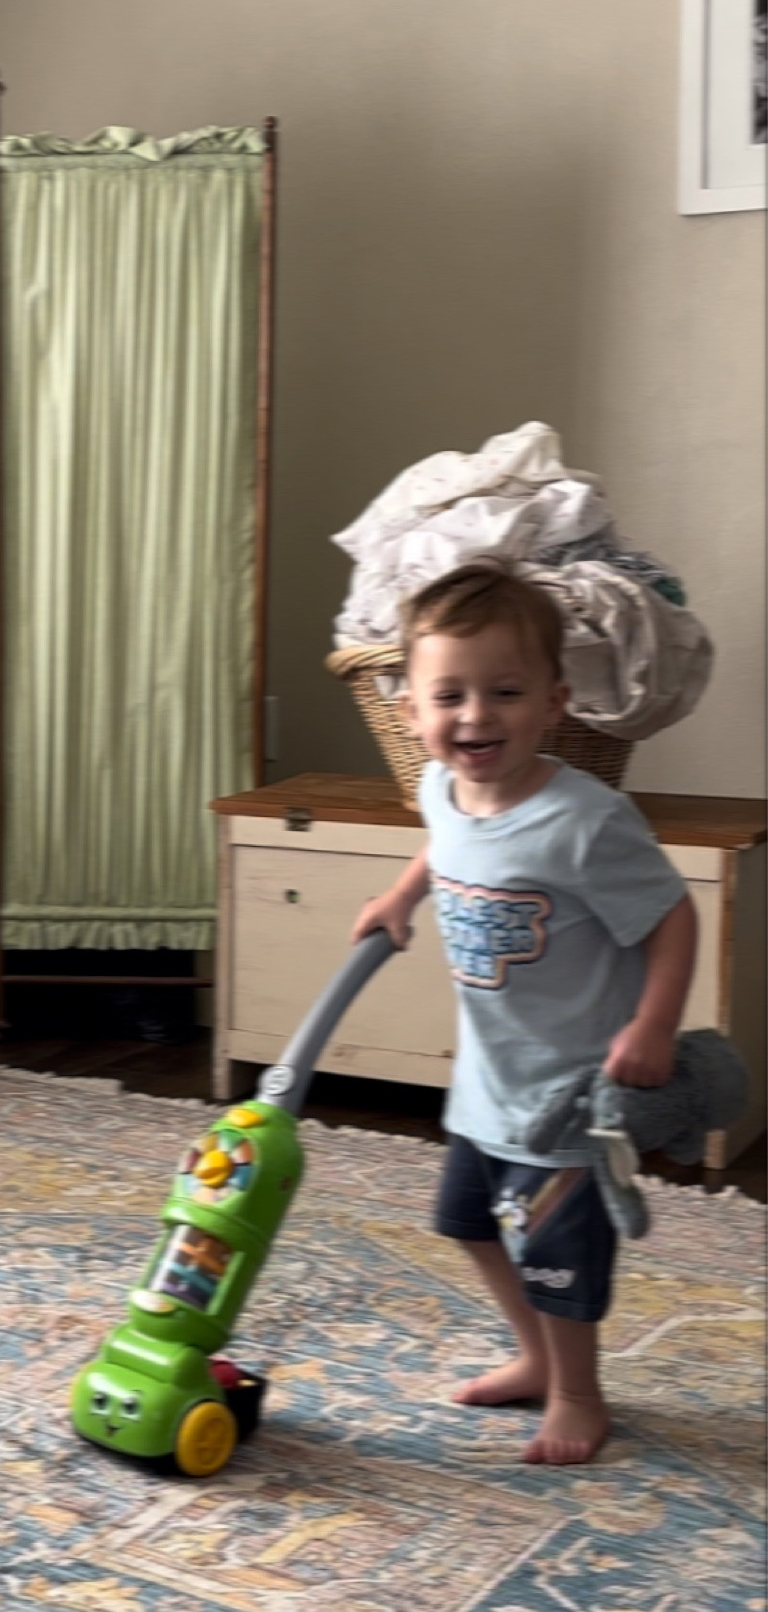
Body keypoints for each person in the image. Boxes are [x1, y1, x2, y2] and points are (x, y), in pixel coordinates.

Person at [351, 561, 697, 1466]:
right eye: (450, 695)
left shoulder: (585, 821)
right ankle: (536, 1360)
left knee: (556, 1257)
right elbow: (444, 845)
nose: (475, 716)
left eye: (503, 692)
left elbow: (671, 915)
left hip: (567, 1098)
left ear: (552, 703)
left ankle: (579, 1391)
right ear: (409, 709)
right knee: (466, 1224)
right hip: (485, 1082)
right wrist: (399, 896)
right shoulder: (440, 788)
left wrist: (654, 1025)